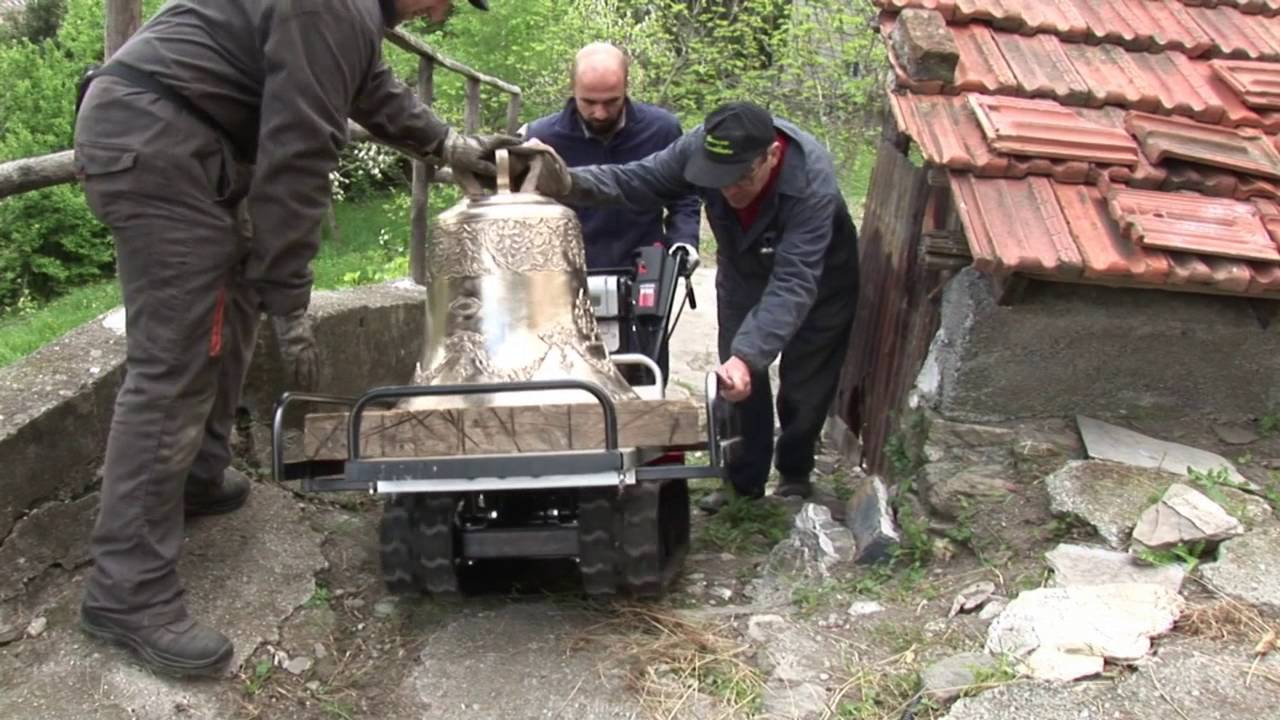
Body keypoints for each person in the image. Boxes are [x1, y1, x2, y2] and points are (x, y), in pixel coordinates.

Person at [72, 0, 515, 676]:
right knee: (174, 367)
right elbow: (299, 151)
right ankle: (125, 591)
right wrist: (292, 294)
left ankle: (194, 477)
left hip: (183, 140)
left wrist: (446, 144)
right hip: (161, 147)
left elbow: (373, 91)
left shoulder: (350, 17)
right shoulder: (333, 7)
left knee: (231, 308)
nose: (444, 12)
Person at [516, 101, 859, 513]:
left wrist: (751, 354)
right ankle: (742, 483)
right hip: (743, 270)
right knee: (735, 381)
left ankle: (795, 476)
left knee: (804, 383)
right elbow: (635, 181)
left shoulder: (811, 184)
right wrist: (565, 181)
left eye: (740, 179)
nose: (730, 191)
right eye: (720, 181)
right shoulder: (698, 146)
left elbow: (794, 282)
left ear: (771, 156)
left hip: (818, 279)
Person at [523, 42, 699, 385]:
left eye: (611, 101)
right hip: (570, 273)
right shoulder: (542, 139)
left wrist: (684, 242)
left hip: (644, 268)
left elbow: (684, 196)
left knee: (646, 370)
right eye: (589, 102)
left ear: (627, 87)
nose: (600, 113)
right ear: (572, 88)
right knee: (570, 374)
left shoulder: (662, 130)